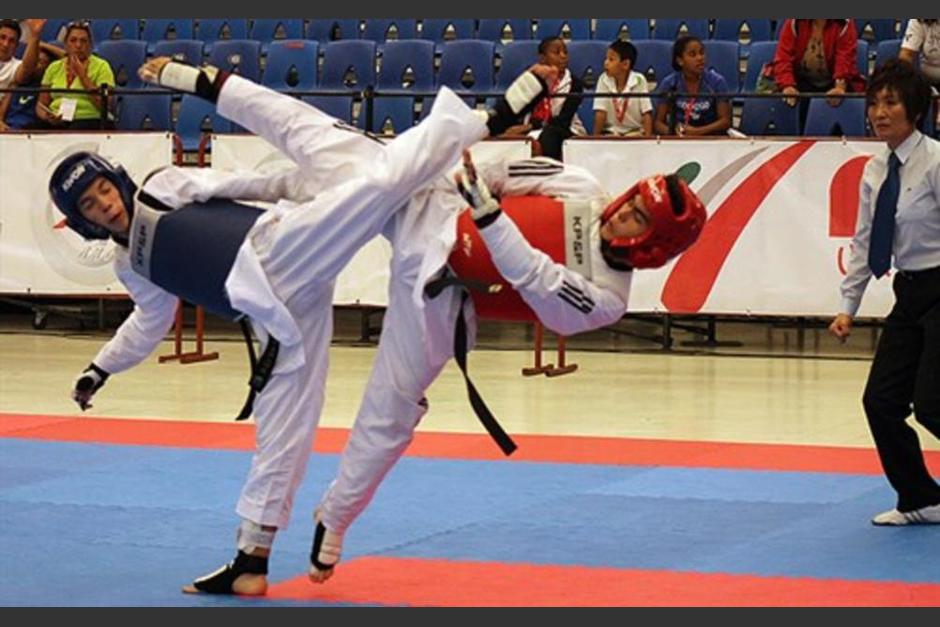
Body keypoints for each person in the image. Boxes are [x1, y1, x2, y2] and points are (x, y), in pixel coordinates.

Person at [49, 55, 572, 595]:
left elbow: (242, 184)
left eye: (104, 191)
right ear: (84, 222)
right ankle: (251, 558)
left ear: (118, 180)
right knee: (280, 430)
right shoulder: (129, 264)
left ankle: (488, 118)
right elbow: (149, 319)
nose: (105, 205)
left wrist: (304, 188)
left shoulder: (163, 187)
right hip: (271, 316)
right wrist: (100, 368)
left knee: (376, 185)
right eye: (90, 206)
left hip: (278, 251)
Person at [828, 58, 940, 526]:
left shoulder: (936, 161)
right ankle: (920, 498)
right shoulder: (875, 170)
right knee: (881, 401)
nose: (879, 112)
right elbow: (862, 241)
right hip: (909, 292)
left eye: (890, 102)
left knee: (934, 404)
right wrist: (847, 308)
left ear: (913, 109)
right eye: (873, 103)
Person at [501, 36, 587, 160]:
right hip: (533, 128)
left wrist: (529, 128)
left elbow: (563, 121)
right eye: (557, 52)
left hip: (565, 130)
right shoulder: (531, 79)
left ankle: (547, 173)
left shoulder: (575, 84)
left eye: (565, 52)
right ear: (542, 58)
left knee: (550, 134)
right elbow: (519, 108)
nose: (563, 56)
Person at [773, 18, 867, 122]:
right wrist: (787, 86)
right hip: (801, 82)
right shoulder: (793, 22)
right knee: (789, 104)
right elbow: (783, 58)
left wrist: (840, 88)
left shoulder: (845, 24)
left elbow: (845, 59)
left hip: (834, 83)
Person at [36, 20, 114, 130]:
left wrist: (83, 77)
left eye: (83, 41)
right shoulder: (54, 67)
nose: (78, 45)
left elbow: (105, 106)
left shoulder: (102, 66)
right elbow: (41, 105)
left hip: (88, 119)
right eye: (73, 40)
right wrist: (48, 117)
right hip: (57, 120)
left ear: (90, 45)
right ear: (66, 44)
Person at [654, 35, 732, 137]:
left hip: (710, 139)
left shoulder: (717, 82)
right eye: (692, 54)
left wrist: (697, 132)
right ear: (680, 61)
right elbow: (658, 123)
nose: (700, 58)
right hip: (680, 141)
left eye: (702, 53)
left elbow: (725, 122)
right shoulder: (669, 83)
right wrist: (674, 132)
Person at [592, 39, 653, 137]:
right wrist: (595, 138)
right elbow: (600, 113)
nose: (606, 63)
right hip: (611, 133)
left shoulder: (639, 80)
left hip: (635, 132)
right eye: (606, 58)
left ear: (625, 64)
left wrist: (648, 140)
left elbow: (646, 113)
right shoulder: (603, 79)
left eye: (611, 59)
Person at [0, 46, 58, 131]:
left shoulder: (45, 89)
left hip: (31, 131)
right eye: (36, 61)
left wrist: (42, 44)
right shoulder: (16, 84)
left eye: (43, 62)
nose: (38, 65)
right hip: (8, 129)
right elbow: (1, 112)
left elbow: (67, 56)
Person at [0, 19, 45, 91]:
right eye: (2, 37)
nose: (6, 44)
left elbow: (26, 71)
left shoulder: (15, 66)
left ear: (17, 46)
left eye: (12, 41)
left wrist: (35, 36)